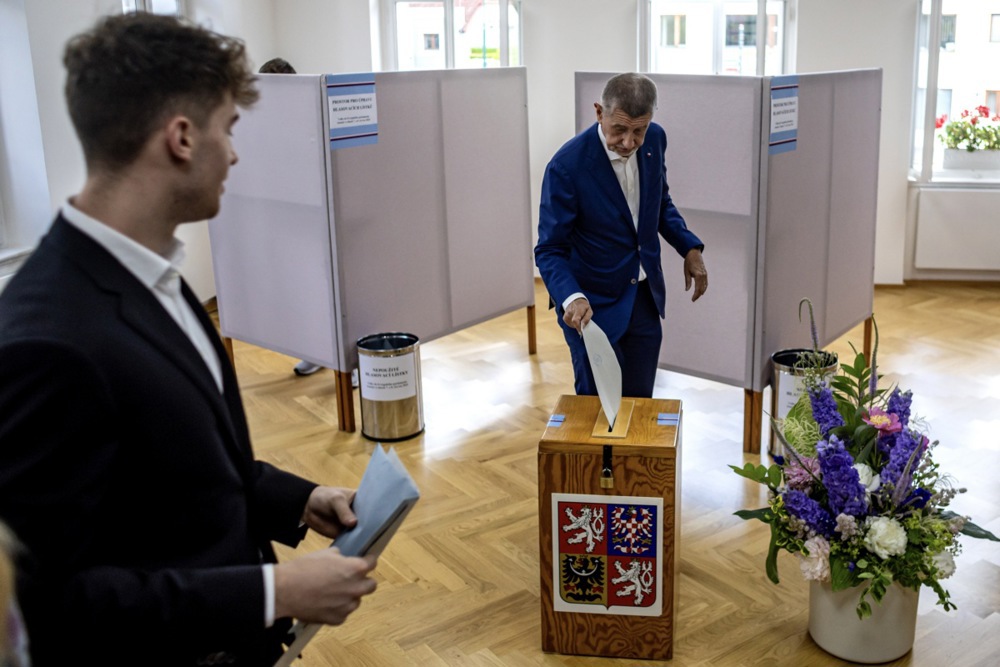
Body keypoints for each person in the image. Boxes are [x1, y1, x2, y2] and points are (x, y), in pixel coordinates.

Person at [0, 14, 376, 666]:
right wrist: (272, 590)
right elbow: (54, 603)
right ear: (180, 137)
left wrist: (297, 499)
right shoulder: (46, 340)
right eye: (228, 129)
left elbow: (175, 470)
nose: (234, 153)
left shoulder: (151, 275)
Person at [534, 72, 709, 399]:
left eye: (638, 131)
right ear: (599, 112)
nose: (629, 142)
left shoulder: (655, 140)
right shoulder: (565, 166)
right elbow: (549, 250)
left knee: (640, 404)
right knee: (598, 409)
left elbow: (660, 203)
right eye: (619, 130)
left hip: (643, 298)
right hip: (590, 307)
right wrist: (572, 297)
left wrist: (689, 247)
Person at [256, 57, 323, 378]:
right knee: (296, 288)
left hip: (317, 213)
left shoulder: (314, 114)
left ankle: (350, 362)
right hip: (282, 213)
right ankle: (314, 350)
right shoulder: (259, 122)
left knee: (328, 288)